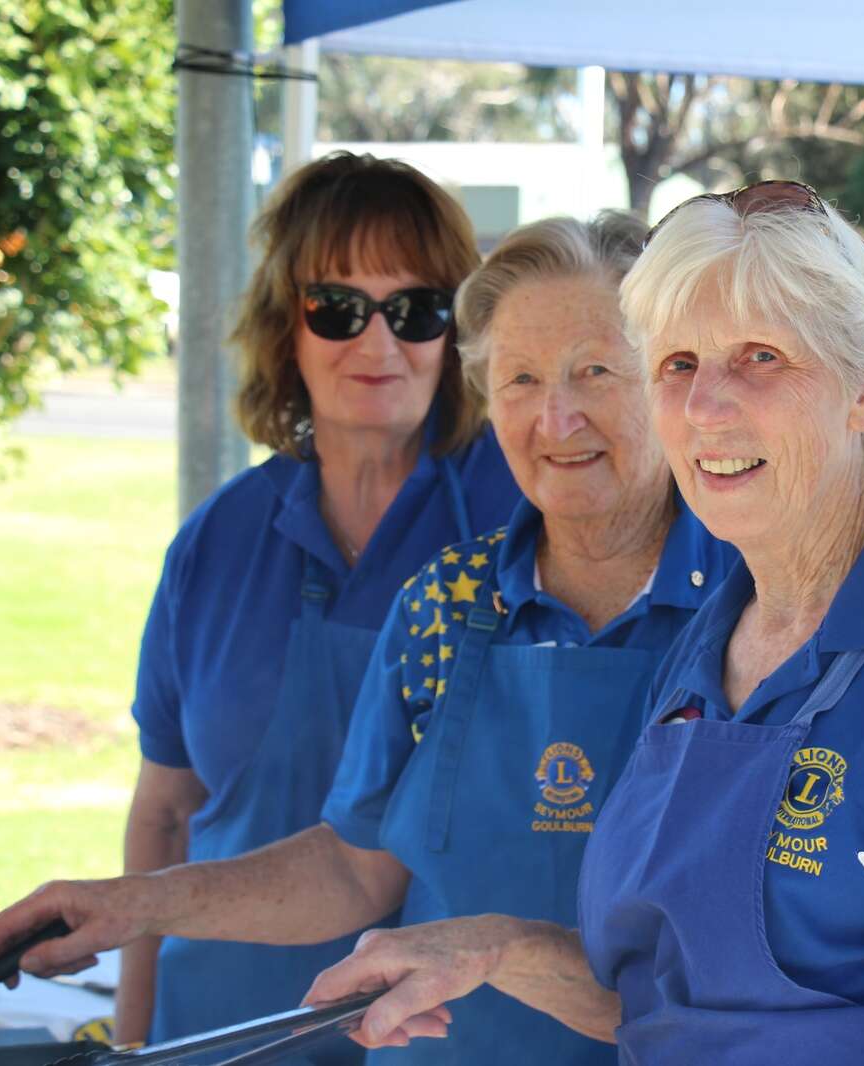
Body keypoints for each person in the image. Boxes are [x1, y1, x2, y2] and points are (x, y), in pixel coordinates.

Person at [295, 182, 864, 1064]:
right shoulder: (708, 644)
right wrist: (488, 949)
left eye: (760, 357)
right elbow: (660, 1000)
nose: (707, 406)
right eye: (677, 364)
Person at [0, 212, 735, 1066]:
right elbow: (356, 867)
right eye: (520, 379)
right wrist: (133, 904)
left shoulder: (753, 609)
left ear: (672, 380)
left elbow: (755, 953)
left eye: (596, 371)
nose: (556, 419)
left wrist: (503, 951)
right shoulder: (445, 604)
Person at [113, 152, 519, 1056]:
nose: (377, 346)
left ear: (461, 334)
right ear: (284, 327)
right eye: (337, 308)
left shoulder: (525, 522)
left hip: (443, 1040)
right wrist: (132, 1045)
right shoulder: (215, 545)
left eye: (415, 310)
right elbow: (164, 813)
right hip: (214, 1033)